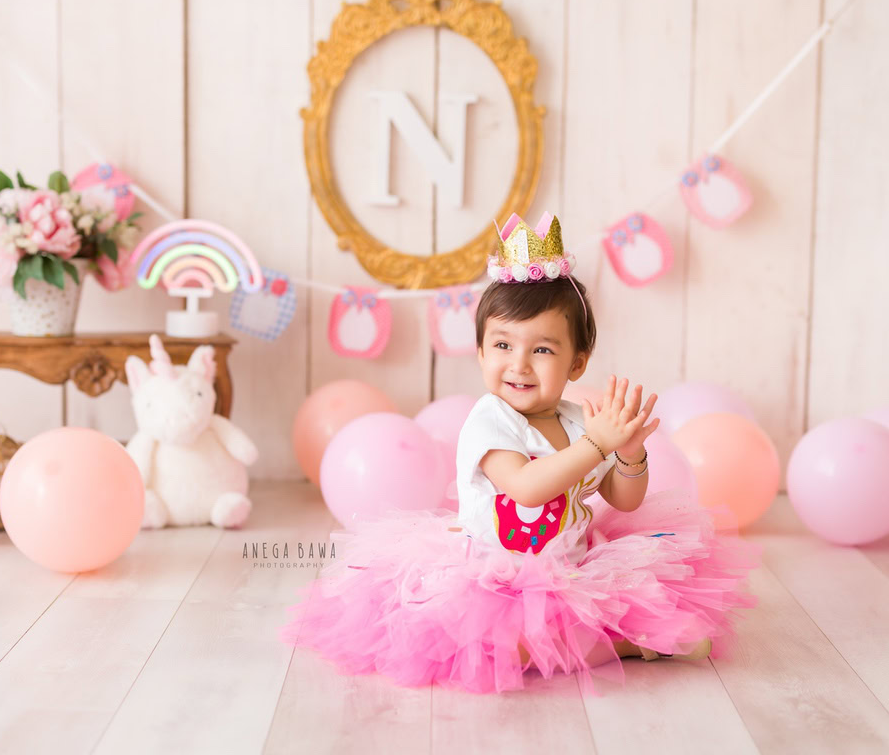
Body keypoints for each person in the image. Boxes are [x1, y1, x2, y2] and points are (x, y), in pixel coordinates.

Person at [280, 212, 760, 694]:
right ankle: (630, 644)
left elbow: (624, 499)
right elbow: (528, 487)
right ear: (482, 353)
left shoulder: (576, 420)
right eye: (503, 344)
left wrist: (631, 455)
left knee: (584, 615)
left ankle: (617, 631)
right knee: (497, 648)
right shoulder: (491, 420)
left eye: (543, 351)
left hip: (571, 568)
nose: (519, 364)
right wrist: (597, 445)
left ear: (577, 362)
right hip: (495, 574)